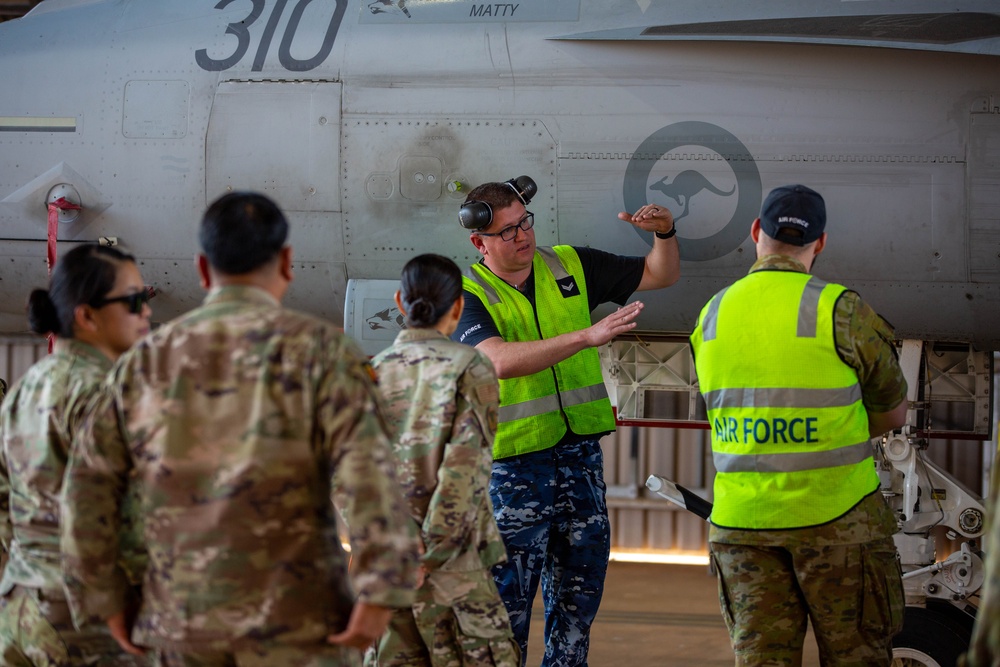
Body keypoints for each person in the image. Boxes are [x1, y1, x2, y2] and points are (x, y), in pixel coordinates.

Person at [60, 192, 421, 666]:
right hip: (300, 623)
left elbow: (87, 488)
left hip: (180, 619)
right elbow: (373, 479)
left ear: (203, 269)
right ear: (288, 262)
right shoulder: (326, 353)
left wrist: (105, 599)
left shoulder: (146, 360)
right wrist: (380, 595)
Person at [452, 176, 680, 665]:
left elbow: (659, 275)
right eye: (508, 232)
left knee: (579, 601)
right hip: (514, 469)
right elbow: (498, 360)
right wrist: (587, 336)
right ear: (480, 242)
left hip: (579, 462)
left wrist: (664, 233)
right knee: (506, 609)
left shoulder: (568, 264)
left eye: (524, 223)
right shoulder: (466, 293)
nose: (523, 237)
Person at [690, 184, 907, 666]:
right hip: (838, 522)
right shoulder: (841, 309)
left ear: (755, 233)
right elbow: (892, 412)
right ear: (821, 242)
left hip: (742, 524)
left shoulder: (712, 315)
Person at [0, 244, 152, 666]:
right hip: (84, 621)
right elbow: (110, 511)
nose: (146, 313)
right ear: (86, 316)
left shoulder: (26, 388)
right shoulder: (104, 394)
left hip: (20, 607)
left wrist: (23, 572)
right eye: (134, 301)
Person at [368, 253, 519, 666]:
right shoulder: (469, 367)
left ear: (400, 302)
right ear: (457, 307)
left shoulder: (370, 374)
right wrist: (428, 555)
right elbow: (463, 472)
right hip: (454, 572)